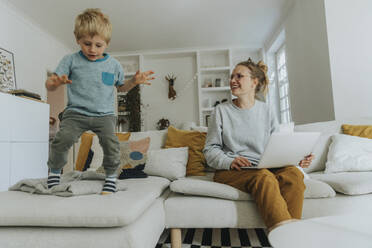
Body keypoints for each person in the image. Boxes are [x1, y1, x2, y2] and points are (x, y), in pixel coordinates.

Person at [45, 8, 155, 195]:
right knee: (62, 139)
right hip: (76, 113)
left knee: (111, 145)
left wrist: (134, 82)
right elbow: (50, 84)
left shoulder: (114, 65)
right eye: (87, 44)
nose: (92, 49)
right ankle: (55, 173)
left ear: (107, 43)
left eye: (98, 45)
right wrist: (54, 82)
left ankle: (111, 178)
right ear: (77, 39)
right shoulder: (70, 60)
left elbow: (121, 88)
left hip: (104, 115)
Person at [203, 58, 314, 231]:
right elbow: (210, 150)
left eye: (239, 76)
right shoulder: (221, 111)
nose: (232, 80)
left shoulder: (267, 110)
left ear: (254, 82)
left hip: (263, 166)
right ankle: (286, 237)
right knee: (263, 177)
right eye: (232, 76)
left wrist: (297, 158)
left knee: (293, 174)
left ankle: (292, 236)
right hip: (231, 170)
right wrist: (229, 161)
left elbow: (278, 145)